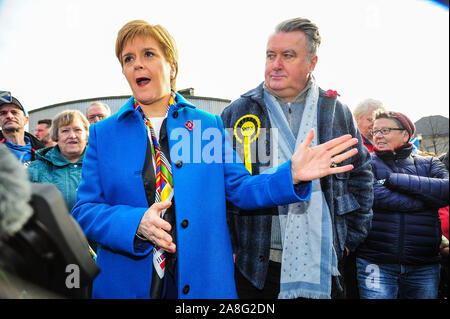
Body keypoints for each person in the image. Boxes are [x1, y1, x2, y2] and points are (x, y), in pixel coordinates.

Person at [71, 19, 360, 299]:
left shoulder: (206, 126)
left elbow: (242, 189)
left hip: (200, 280)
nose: (137, 64)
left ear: (171, 66)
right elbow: (84, 211)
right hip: (125, 283)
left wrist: (290, 175)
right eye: (127, 59)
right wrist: (135, 223)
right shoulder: (102, 134)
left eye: (148, 54)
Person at [220, 17, 373, 299]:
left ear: (312, 63)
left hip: (323, 264)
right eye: (270, 55)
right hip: (256, 265)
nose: (276, 64)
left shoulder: (336, 111)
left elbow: (362, 176)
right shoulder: (238, 112)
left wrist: (349, 240)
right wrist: (230, 245)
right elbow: (221, 185)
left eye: (288, 56)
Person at [355, 110, 449, 299]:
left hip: (424, 266)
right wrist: (427, 199)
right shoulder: (365, 164)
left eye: (385, 130)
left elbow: (446, 191)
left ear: (406, 134)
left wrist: (395, 180)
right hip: (376, 263)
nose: (378, 136)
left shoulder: (429, 163)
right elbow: (374, 196)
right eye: (375, 131)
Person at [28, 110, 89, 212]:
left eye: (77, 130)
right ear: (56, 135)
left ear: (86, 135)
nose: (72, 136)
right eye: (65, 131)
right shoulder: (36, 169)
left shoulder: (101, 165)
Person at [0, 94, 44, 165]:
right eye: (3, 113)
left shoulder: (44, 153)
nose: (9, 116)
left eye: (14, 112)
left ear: (26, 120)